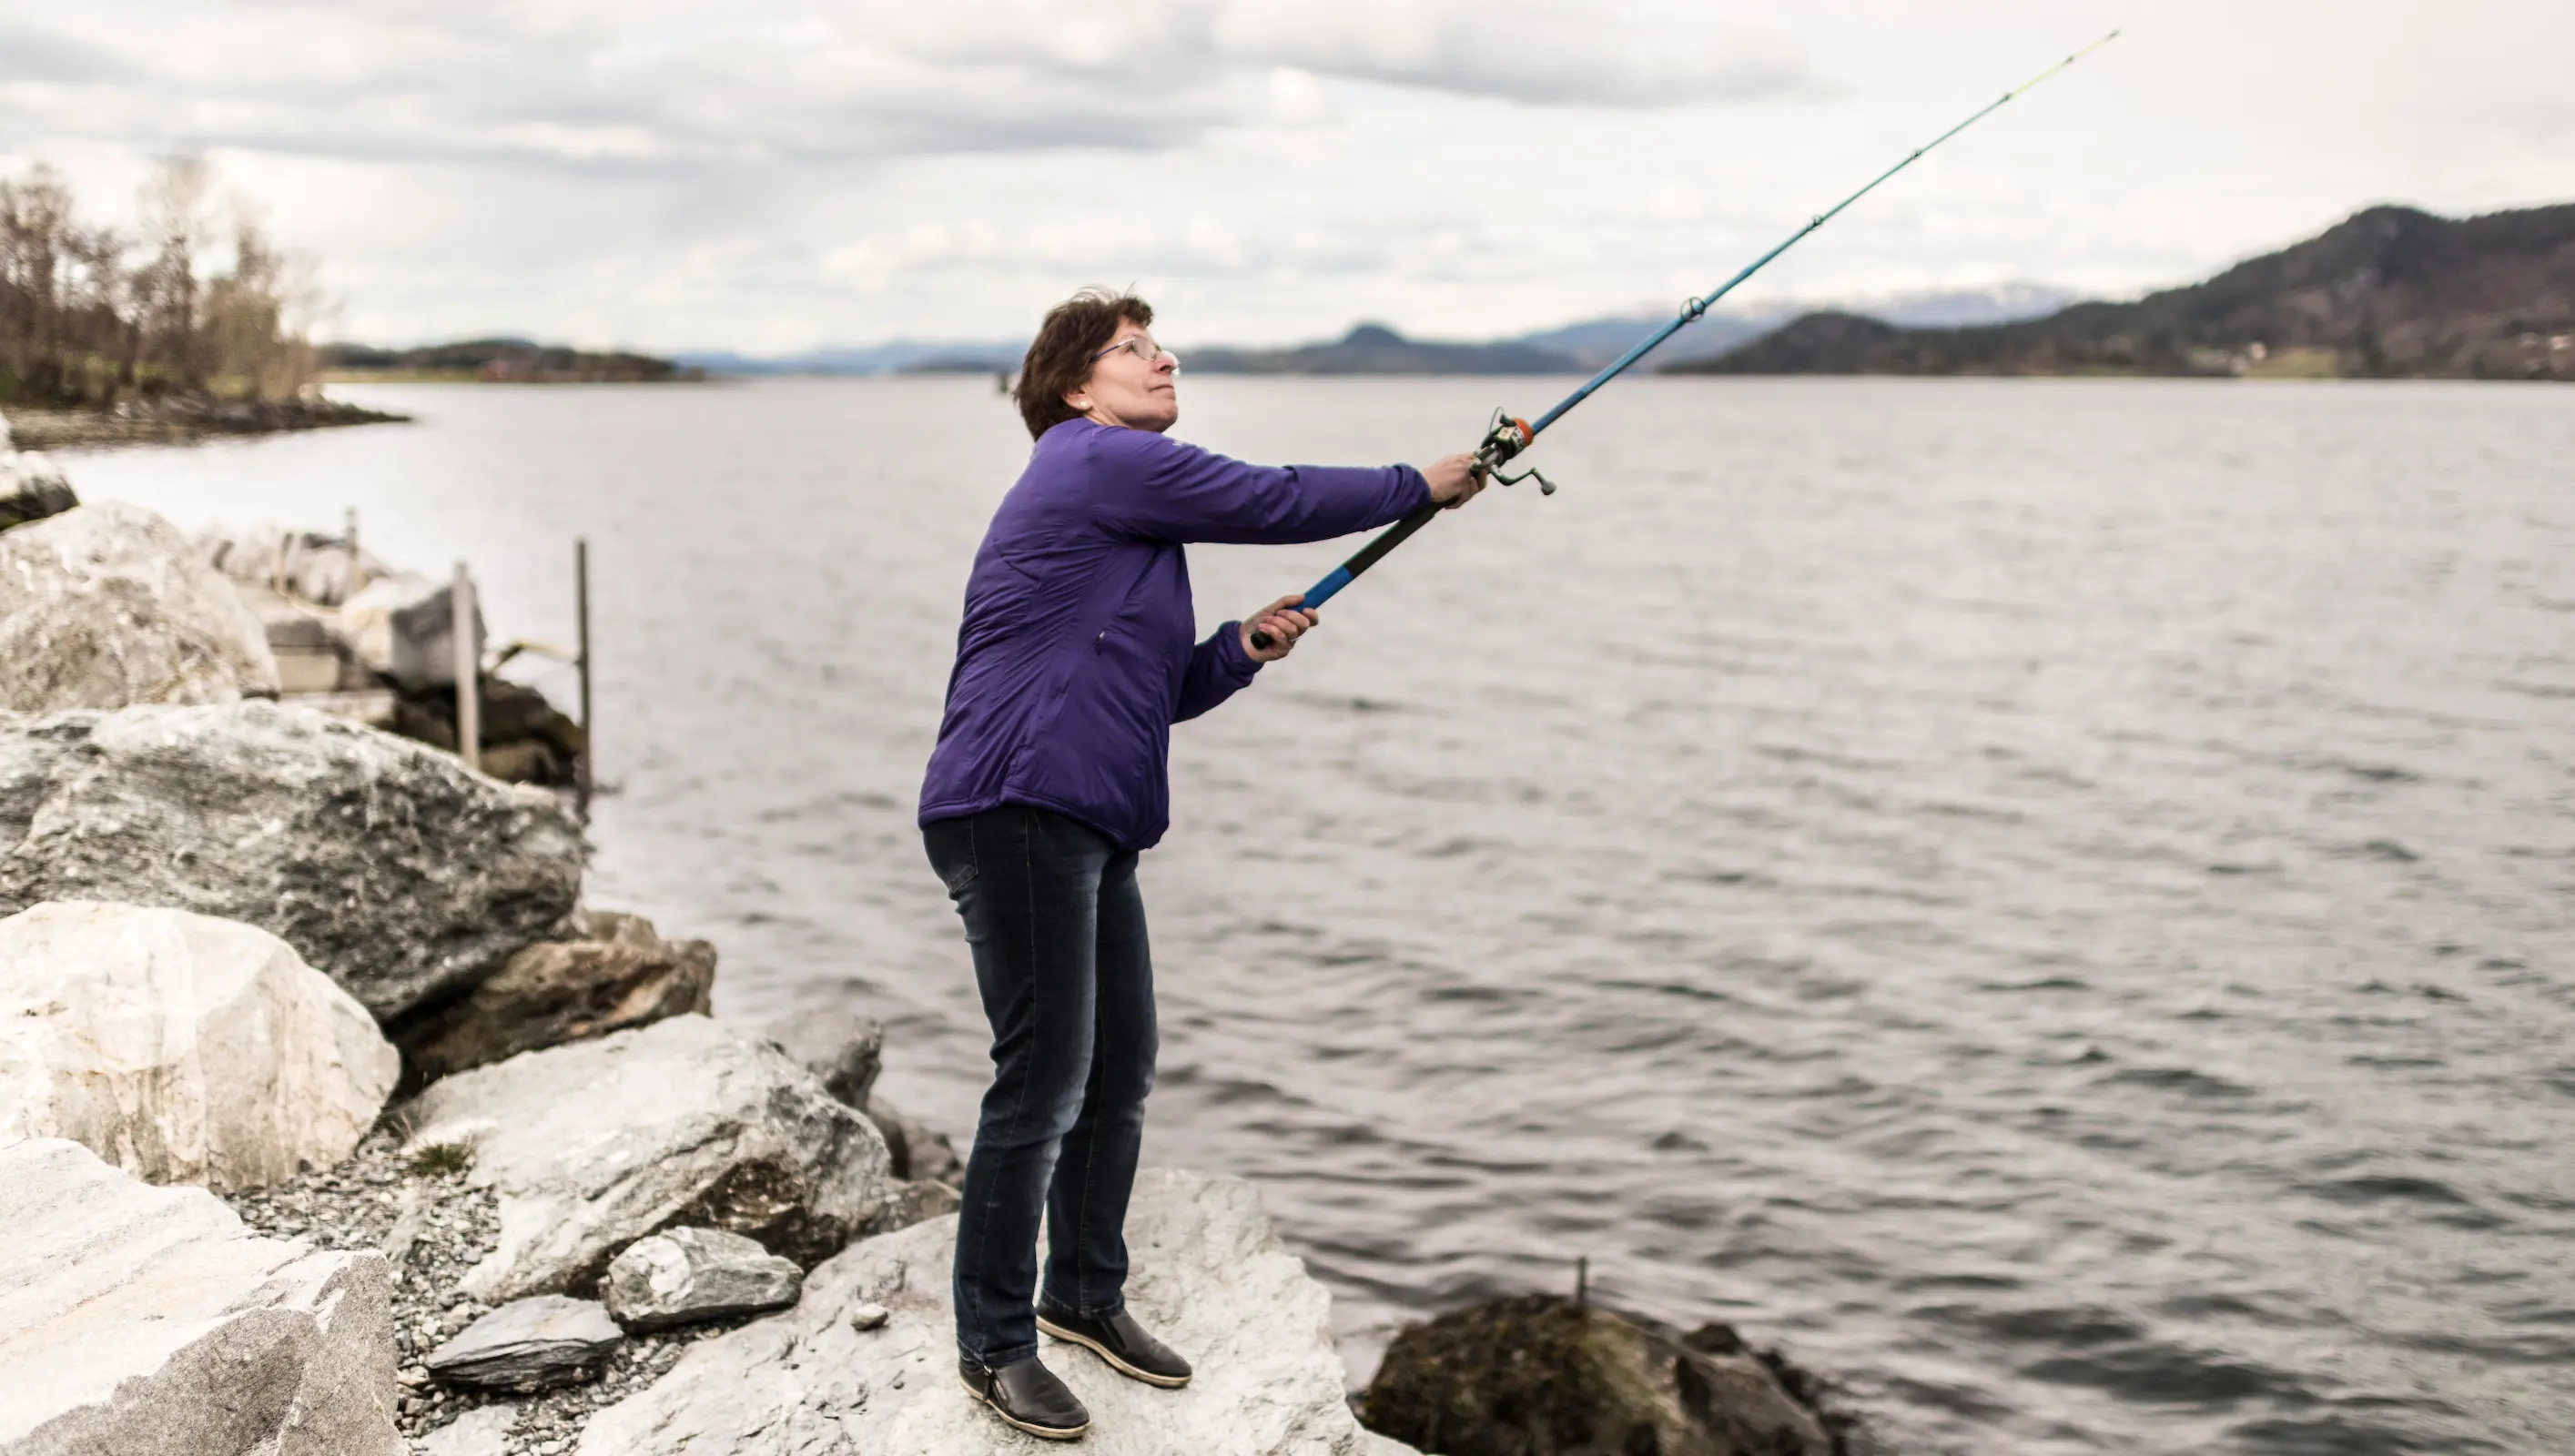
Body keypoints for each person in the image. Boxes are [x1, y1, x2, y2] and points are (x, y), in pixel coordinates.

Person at [918, 288, 1483, 1440]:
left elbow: (1147, 694)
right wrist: (1418, 484)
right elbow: (1272, 499)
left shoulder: (1119, 509)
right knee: (1040, 1078)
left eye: (1158, 345)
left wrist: (1236, 649)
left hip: (1081, 814)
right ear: (1078, 388)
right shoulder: (1091, 460)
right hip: (1015, 807)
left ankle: (1081, 1292)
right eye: (1135, 350)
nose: (1162, 359)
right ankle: (991, 1341)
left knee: (1117, 1065)